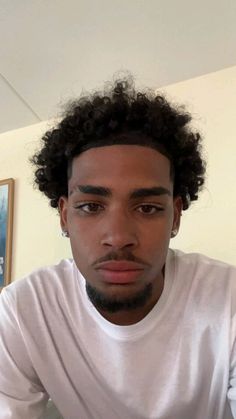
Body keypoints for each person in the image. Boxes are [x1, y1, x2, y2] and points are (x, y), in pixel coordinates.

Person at [0, 76, 235, 419]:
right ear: (65, 216)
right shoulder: (23, 312)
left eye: (148, 208)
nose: (118, 236)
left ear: (176, 216)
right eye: (91, 207)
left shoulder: (228, 300)